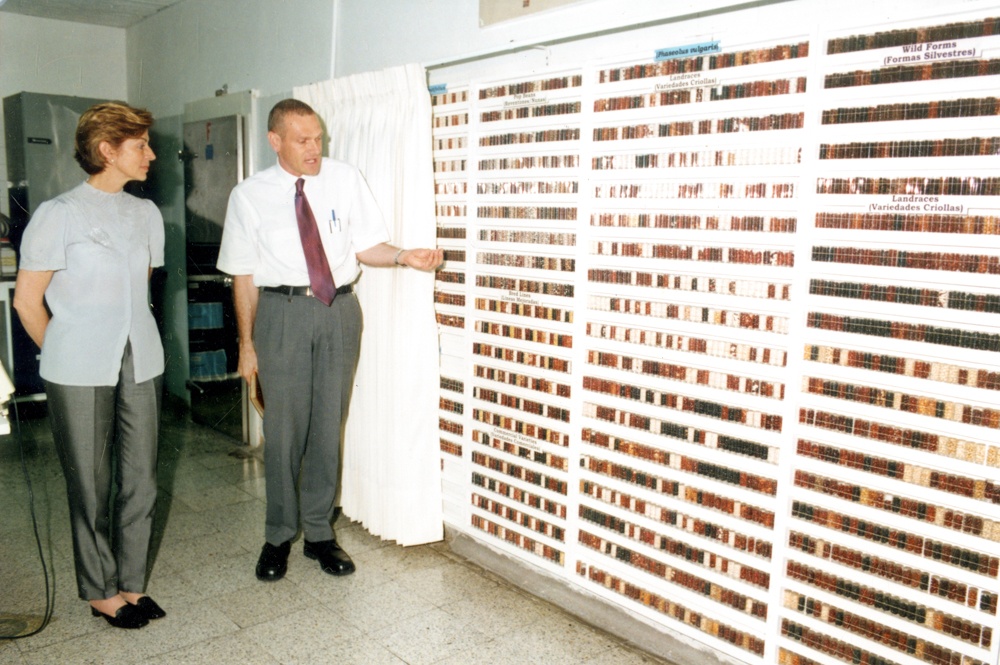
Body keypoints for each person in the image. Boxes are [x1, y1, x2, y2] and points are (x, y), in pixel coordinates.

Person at [217, 99, 442, 582]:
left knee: (327, 425)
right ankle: (277, 535)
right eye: (302, 140)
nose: (314, 148)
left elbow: (367, 247)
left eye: (317, 137)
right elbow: (243, 276)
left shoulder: (345, 178)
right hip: (282, 312)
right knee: (283, 430)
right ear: (274, 140)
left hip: (339, 310)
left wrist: (406, 256)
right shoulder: (249, 195)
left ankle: (319, 533)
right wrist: (247, 343)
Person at [13, 101, 167, 629]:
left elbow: (138, 290)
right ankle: (99, 591)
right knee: (91, 483)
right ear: (107, 150)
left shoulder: (145, 214)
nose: (150, 154)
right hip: (77, 365)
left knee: (142, 478)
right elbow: (27, 302)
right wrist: (65, 349)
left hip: (141, 357)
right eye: (140, 145)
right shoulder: (59, 213)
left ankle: (130, 582)